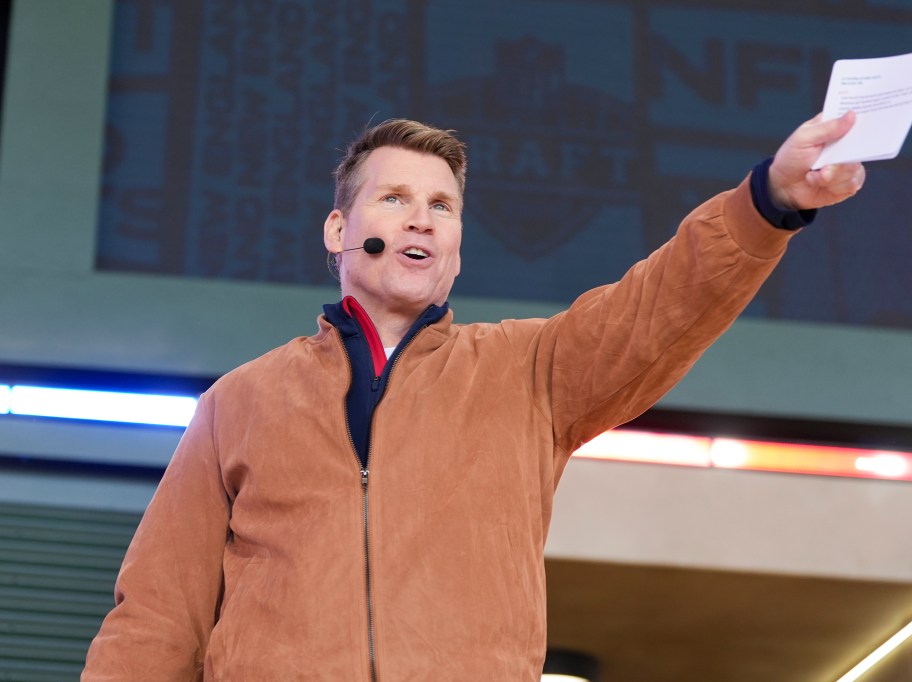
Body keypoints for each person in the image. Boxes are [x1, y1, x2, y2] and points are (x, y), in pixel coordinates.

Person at [82, 113, 864, 680]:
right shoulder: (239, 402)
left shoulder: (531, 372)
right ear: (338, 229)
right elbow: (155, 618)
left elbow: (661, 306)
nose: (421, 215)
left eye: (442, 205)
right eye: (393, 198)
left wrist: (767, 202)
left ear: (455, 245)